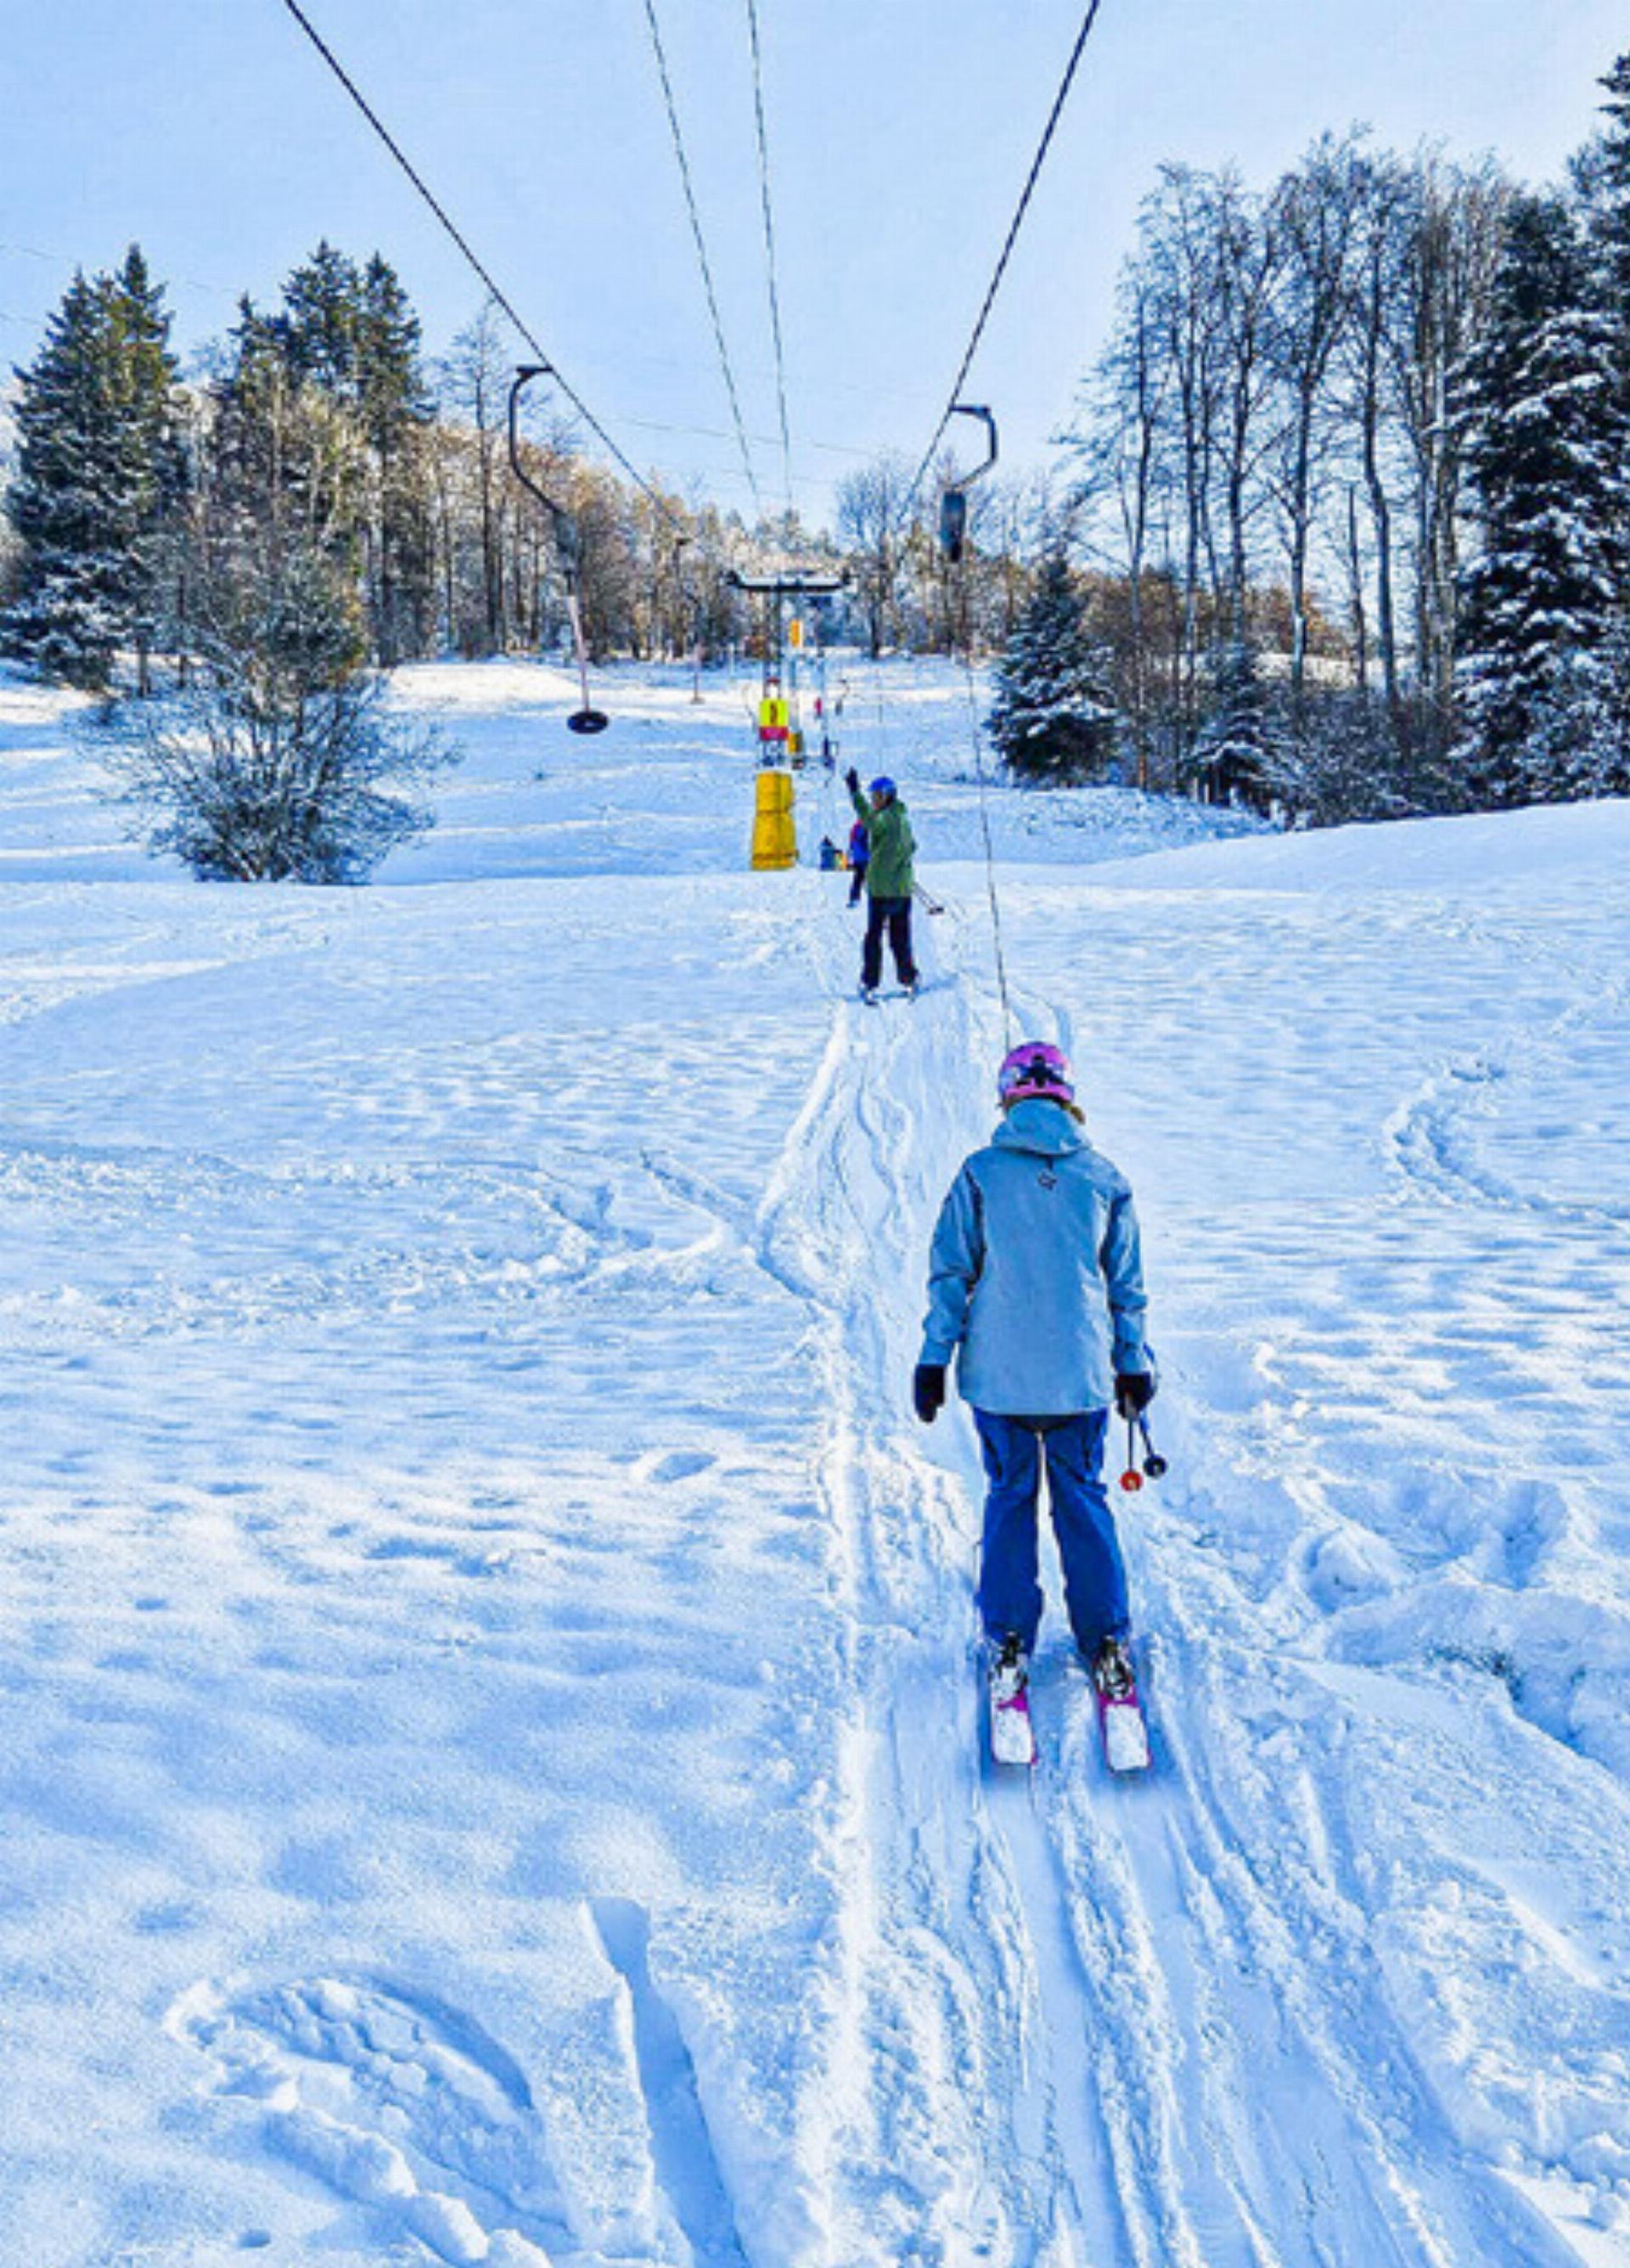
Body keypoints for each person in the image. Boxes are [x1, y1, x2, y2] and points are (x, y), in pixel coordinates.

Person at [913, 1040, 1156, 1702]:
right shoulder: (1103, 1177)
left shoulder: (979, 1174)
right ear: (1067, 1098)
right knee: (1082, 1496)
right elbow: (1125, 1286)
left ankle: (1010, 1637)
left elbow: (951, 1274)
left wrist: (935, 1358)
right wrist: (1133, 1362)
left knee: (1010, 1497)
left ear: (1009, 1095)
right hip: (1080, 1379)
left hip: (999, 1381)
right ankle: (1106, 1638)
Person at [845, 767, 918, 1000]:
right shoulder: (902, 817)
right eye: (872, 797)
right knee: (899, 937)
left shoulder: (886, 819)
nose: (874, 801)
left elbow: (869, 820)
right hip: (900, 890)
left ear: (888, 796)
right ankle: (908, 977)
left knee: (874, 938)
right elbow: (912, 846)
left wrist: (855, 793)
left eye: (877, 797)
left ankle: (870, 982)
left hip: (882, 891)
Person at [846, 816, 870, 907]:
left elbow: (852, 843)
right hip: (865, 857)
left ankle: (854, 898)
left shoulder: (855, 828)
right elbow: (866, 844)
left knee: (858, 878)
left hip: (858, 857)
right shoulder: (865, 828)